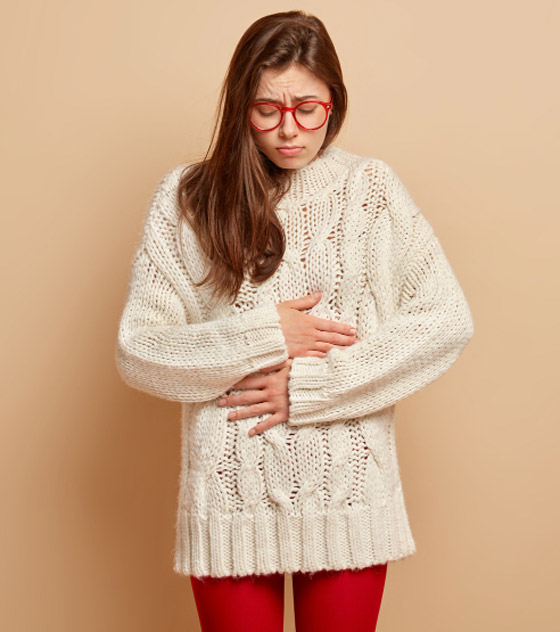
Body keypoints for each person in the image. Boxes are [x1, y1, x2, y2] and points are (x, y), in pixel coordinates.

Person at [115, 10, 474, 632]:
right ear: (240, 106)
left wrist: (310, 387)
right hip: (230, 503)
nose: (288, 130)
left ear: (334, 102)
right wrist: (264, 335)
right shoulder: (189, 198)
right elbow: (139, 351)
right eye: (267, 110)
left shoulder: (370, 189)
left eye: (308, 109)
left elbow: (445, 319)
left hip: (348, 497)